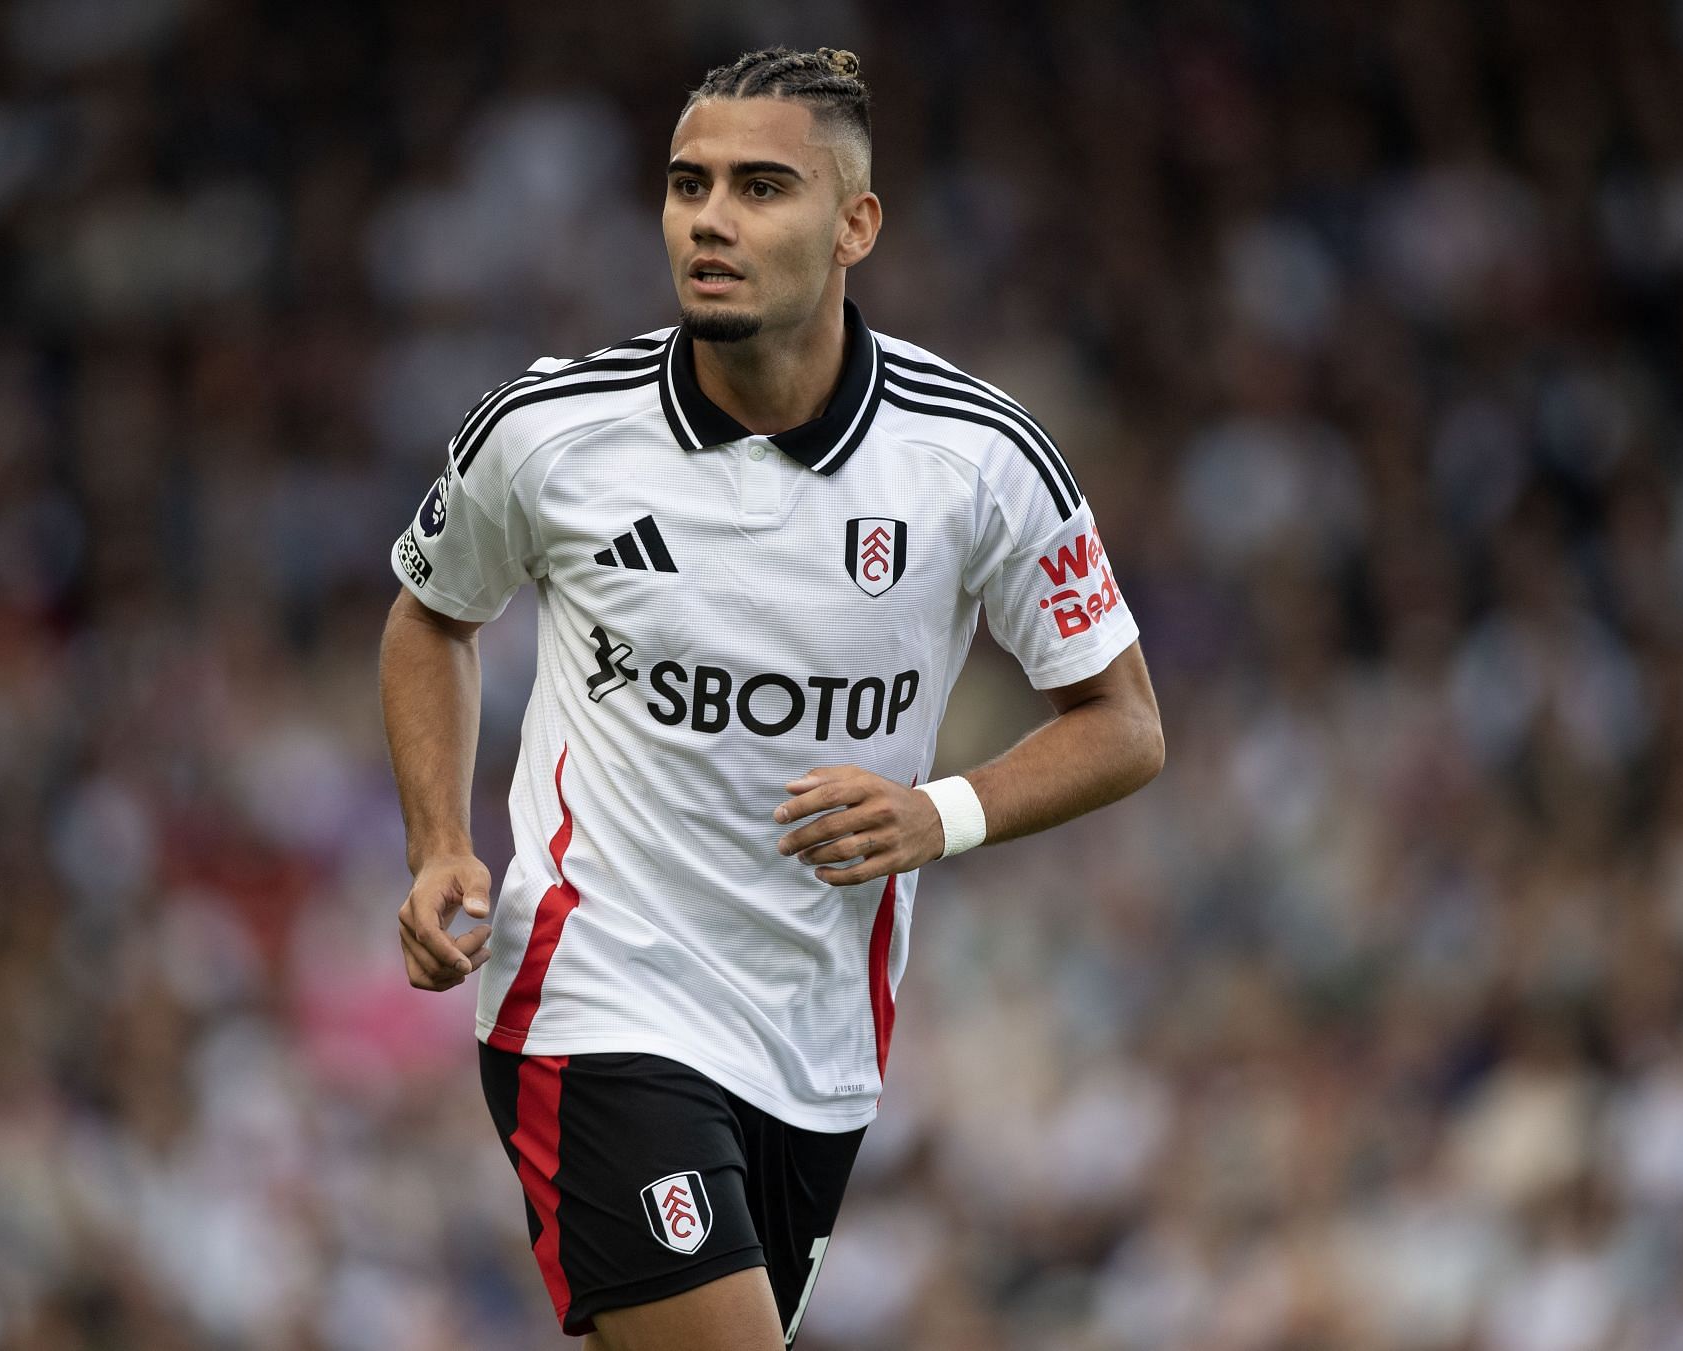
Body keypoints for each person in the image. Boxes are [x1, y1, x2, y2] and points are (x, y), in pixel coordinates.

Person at [379, 44, 1165, 1351]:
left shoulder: (977, 460)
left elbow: (1125, 721)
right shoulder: (549, 430)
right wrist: (439, 843)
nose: (712, 220)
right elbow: (430, 614)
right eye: (689, 185)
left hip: (815, 1043)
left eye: (761, 188)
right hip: (596, 988)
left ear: (856, 223)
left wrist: (941, 814)